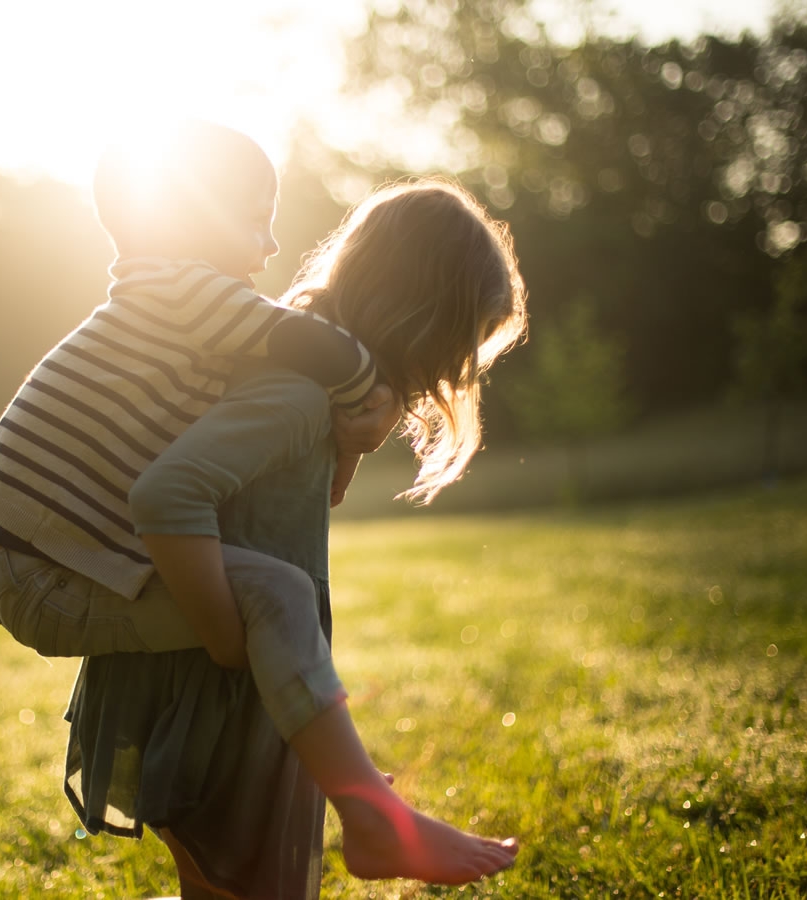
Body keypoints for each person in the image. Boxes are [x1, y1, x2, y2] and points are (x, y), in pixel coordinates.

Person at [65, 178, 528, 897]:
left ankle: (368, 812)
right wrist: (226, 639)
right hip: (215, 680)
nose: (455, 369)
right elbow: (167, 495)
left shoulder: (312, 385)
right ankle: (376, 821)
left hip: (236, 675)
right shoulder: (297, 394)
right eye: (460, 342)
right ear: (421, 320)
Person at [0, 120, 391, 744]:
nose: (271, 245)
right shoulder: (182, 291)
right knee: (279, 599)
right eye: (255, 219)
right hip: (46, 578)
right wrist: (372, 401)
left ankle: (312, 767)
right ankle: (328, 773)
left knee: (269, 600)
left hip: (40, 568)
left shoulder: (166, 299)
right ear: (192, 219)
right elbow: (315, 345)